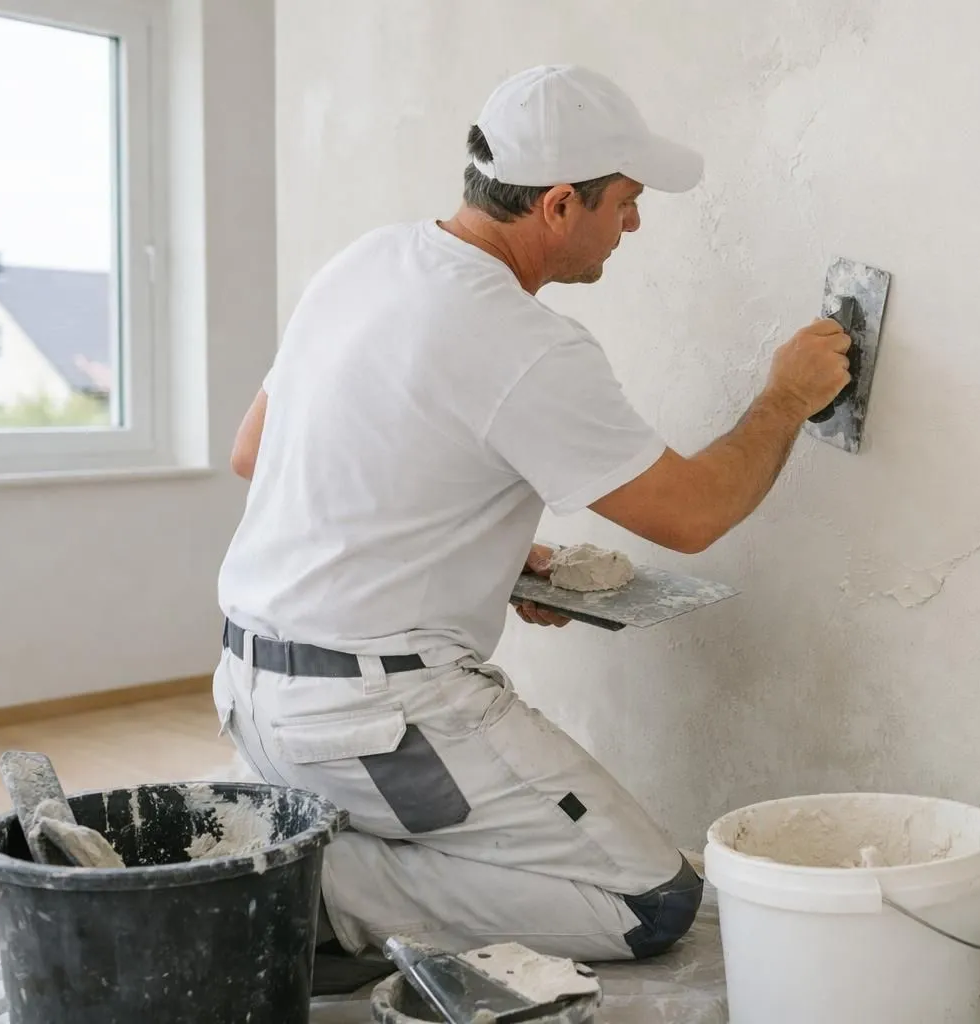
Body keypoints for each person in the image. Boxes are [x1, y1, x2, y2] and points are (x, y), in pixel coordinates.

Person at [213, 64, 851, 984]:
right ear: (559, 204)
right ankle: (308, 894)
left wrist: (494, 556)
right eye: (626, 202)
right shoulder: (522, 340)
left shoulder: (368, 261)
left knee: (504, 849)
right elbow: (696, 513)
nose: (633, 223)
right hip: (376, 721)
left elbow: (255, 452)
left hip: (250, 692)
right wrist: (787, 397)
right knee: (650, 902)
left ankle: (290, 839)